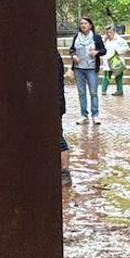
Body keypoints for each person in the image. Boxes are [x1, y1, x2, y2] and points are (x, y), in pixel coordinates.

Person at [68, 17, 105, 125]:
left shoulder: (96, 37)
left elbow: (104, 50)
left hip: (91, 69)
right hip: (79, 69)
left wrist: (96, 52)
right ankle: (84, 115)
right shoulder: (76, 36)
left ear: (90, 25)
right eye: (81, 23)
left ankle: (95, 115)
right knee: (81, 93)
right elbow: (71, 49)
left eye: (85, 23)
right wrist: (73, 55)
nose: (83, 25)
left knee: (93, 92)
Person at [100, 24, 129, 96]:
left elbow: (126, 48)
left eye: (110, 32)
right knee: (106, 75)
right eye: (107, 32)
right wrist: (104, 40)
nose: (108, 34)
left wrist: (118, 51)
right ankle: (103, 90)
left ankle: (119, 90)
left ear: (114, 32)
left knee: (118, 76)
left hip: (117, 61)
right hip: (107, 61)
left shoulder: (119, 39)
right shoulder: (105, 40)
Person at [58, 49, 70, 182]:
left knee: (58, 138)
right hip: (56, 103)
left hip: (55, 104)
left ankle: (65, 171)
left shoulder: (53, 57)